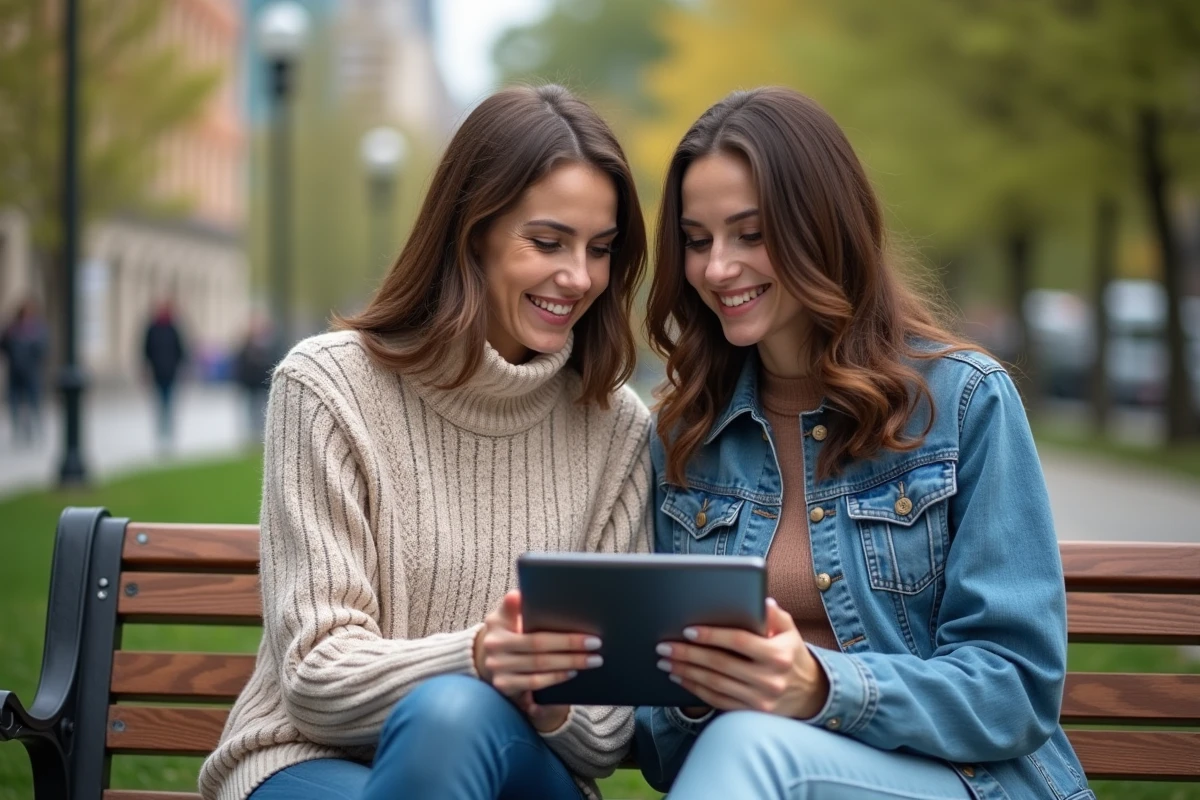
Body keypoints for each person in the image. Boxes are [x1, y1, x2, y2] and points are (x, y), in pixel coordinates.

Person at [634, 87, 1094, 800]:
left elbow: (1015, 687)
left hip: (964, 783)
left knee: (751, 744)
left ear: (823, 227)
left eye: (750, 234)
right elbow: (664, 755)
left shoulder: (961, 402)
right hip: (757, 771)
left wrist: (821, 685)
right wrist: (695, 692)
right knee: (741, 739)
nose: (718, 268)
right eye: (698, 240)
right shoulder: (685, 435)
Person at [198, 84, 652, 800]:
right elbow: (315, 675)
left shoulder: (616, 427)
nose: (579, 277)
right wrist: (481, 656)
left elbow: (607, 729)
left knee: (453, 715)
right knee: (451, 707)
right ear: (472, 230)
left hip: (523, 777)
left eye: (600, 249)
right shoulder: (327, 387)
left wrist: (550, 701)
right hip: (308, 766)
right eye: (547, 241)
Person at [1, 299, 49, 445]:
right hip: (15, 372)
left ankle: (35, 428)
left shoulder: (37, 329)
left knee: (33, 401)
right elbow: (3, 345)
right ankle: (18, 430)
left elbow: (43, 348)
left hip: (31, 372)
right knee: (14, 402)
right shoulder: (12, 329)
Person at [143, 301, 187, 447]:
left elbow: (181, 350)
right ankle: (161, 431)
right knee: (160, 401)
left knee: (168, 401)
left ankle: (168, 431)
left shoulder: (173, 328)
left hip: (171, 372)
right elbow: (146, 350)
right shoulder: (152, 328)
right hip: (157, 371)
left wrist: (181, 367)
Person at [233, 316, 275, 440]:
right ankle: (252, 433)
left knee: (262, 408)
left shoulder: (267, 346)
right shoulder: (246, 346)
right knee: (251, 409)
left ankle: (260, 433)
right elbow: (241, 365)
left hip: (262, 383)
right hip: (250, 384)